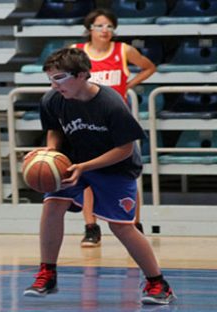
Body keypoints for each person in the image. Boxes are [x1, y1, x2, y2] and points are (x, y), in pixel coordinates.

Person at [22, 47, 175, 305]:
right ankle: (47, 273)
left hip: (114, 167)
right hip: (73, 163)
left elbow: (125, 149)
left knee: (121, 227)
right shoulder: (51, 100)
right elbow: (54, 131)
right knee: (52, 207)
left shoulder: (111, 103)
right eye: (50, 78)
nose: (54, 84)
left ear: (82, 75)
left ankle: (158, 283)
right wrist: (49, 153)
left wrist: (86, 166)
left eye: (60, 77)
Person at [73, 8, 156, 247]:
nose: (105, 30)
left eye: (110, 26)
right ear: (89, 29)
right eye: (100, 26)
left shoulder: (123, 50)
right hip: (86, 122)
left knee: (129, 173)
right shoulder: (77, 52)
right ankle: (91, 228)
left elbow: (149, 67)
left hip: (118, 121)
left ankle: (135, 225)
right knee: (86, 174)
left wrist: (129, 83)